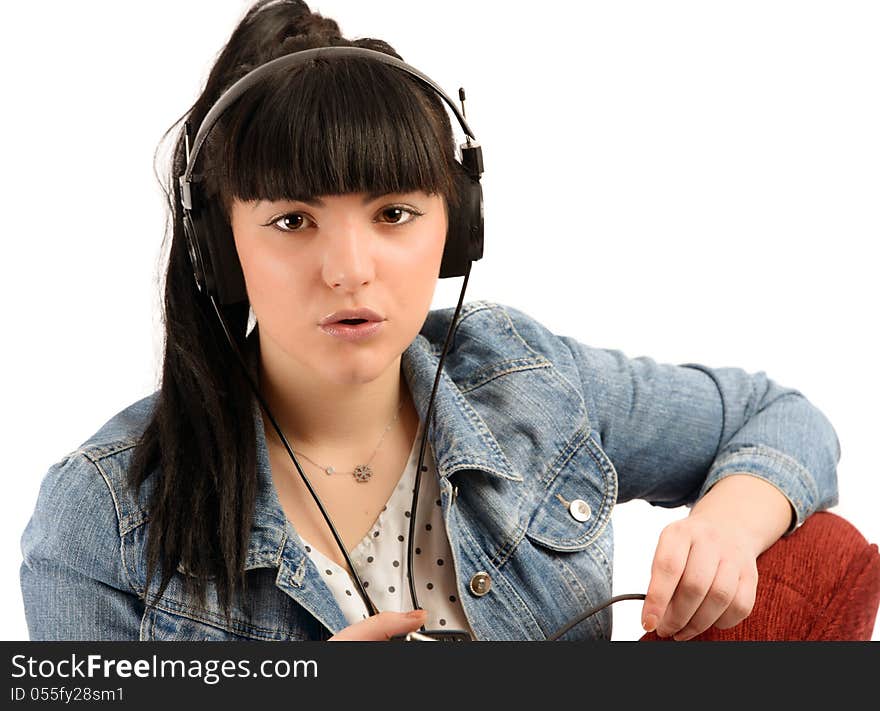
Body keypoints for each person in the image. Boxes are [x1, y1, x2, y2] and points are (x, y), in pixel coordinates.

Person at [19, 0, 840, 642]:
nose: (349, 267)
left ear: (458, 229)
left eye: (394, 213)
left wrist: (727, 523)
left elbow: (783, 420)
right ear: (218, 248)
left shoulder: (526, 383)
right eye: (292, 220)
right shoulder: (101, 517)